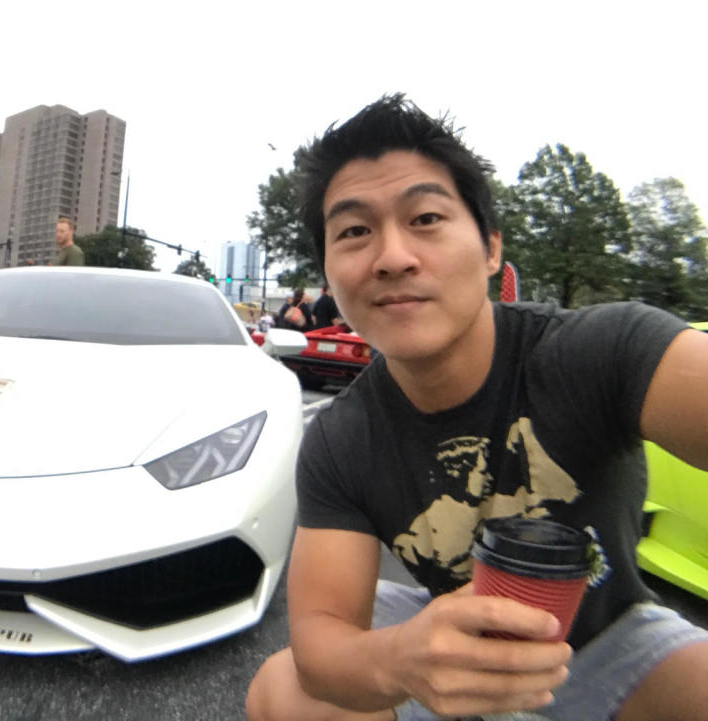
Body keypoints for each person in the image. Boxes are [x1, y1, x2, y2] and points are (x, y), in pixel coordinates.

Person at [246, 93, 708, 721]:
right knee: (284, 692)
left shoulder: (602, 350)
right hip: (442, 632)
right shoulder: (341, 438)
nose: (392, 257)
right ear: (329, 275)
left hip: (612, 640)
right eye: (354, 231)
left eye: (427, 219)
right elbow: (321, 641)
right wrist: (401, 662)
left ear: (491, 250)